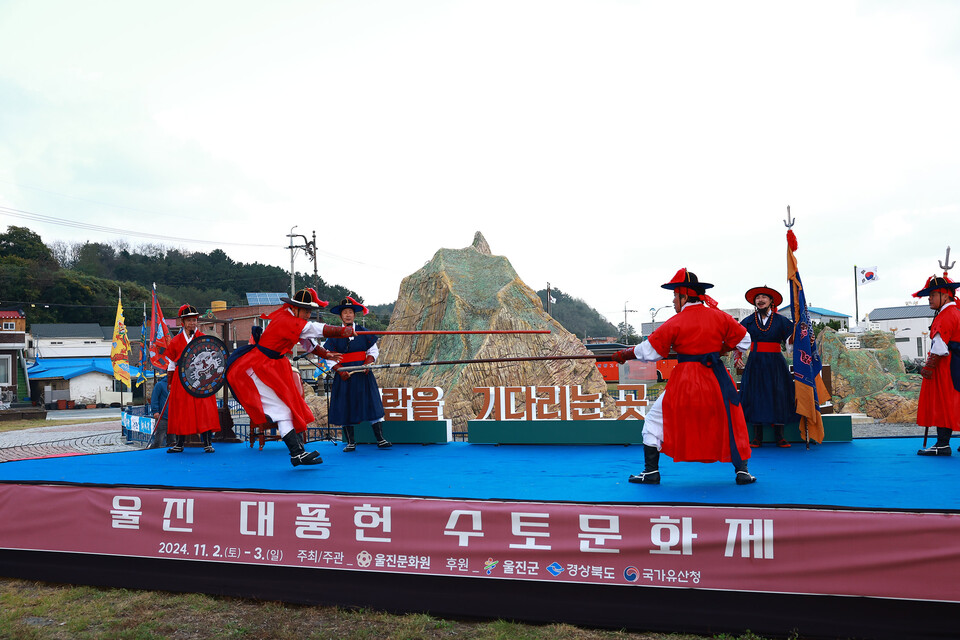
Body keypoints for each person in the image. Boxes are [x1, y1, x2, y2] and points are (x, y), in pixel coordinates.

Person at [612, 269, 755, 485]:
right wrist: (720, 349)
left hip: (686, 381)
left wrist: (624, 354)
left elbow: (650, 351)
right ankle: (742, 472)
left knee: (653, 421)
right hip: (716, 379)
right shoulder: (721, 317)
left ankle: (651, 472)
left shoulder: (674, 322)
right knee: (731, 420)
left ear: (684, 296)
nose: (673, 302)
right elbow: (745, 341)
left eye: (674, 297)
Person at [226, 288, 352, 467]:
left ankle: (297, 453)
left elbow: (308, 342)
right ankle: (296, 452)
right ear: (295, 308)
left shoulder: (293, 320)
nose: (308, 314)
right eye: (306, 310)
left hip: (271, 366)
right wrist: (341, 331)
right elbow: (313, 329)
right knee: (282, 410)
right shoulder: (287, 320)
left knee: (287, 410)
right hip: (259, 367)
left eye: (310, 310)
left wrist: (326, 354)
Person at [323, 297, 391, 452]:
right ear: (340, 316)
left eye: (350, 312)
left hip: (363, 375)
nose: (348, 315)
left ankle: (380, 439)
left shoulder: (363, 332)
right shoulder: (334, 334)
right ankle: (351, 442)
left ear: (354, 315)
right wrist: (340, 371)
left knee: (372, 404)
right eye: (345, 312)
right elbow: (330, 357)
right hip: (344, 377)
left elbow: (373, 351)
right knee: (345, 407)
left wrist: (367, 363)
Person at [737, 286, 796, 448]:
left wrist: (798, 332)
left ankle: (780, 436)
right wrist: (738, 355)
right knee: (755, 395)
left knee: (779, 394)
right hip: (755, 361)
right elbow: (738, 338)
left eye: (764, 297)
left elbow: (790, 343)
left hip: (776, 363)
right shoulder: (748, 321)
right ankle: (757, 437)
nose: (760, 300)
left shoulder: (782, 321)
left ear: (771, 301)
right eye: (757, 298)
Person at [913, 274, 960, 456]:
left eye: (932, 295)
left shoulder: (945, 315)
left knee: (943, 403)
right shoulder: (956, 312)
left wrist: (929, 367)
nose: (929, 299)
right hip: (956, 363)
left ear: (945, 295)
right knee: (956, 401)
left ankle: (942, 445)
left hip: (946, 367)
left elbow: (940, 347)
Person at [164, 305, 221, 453]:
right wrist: (170, 382)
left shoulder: (203, 339)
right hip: (181, 379)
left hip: (201, 378)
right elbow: (171, 364)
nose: (192, 323)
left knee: (205, 409)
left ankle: (208, 443)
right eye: (189, 320)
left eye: (194, 320)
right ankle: (179, 444)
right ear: (182, 322)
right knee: (181, 410)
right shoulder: (175, 341)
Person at [147, 373, 170, 449]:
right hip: (163, 416)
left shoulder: (177, 385)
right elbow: (154, 399)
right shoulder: (160, 385)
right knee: (159, 439)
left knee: (172, 440)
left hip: (173, 417)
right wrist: (155, 411)